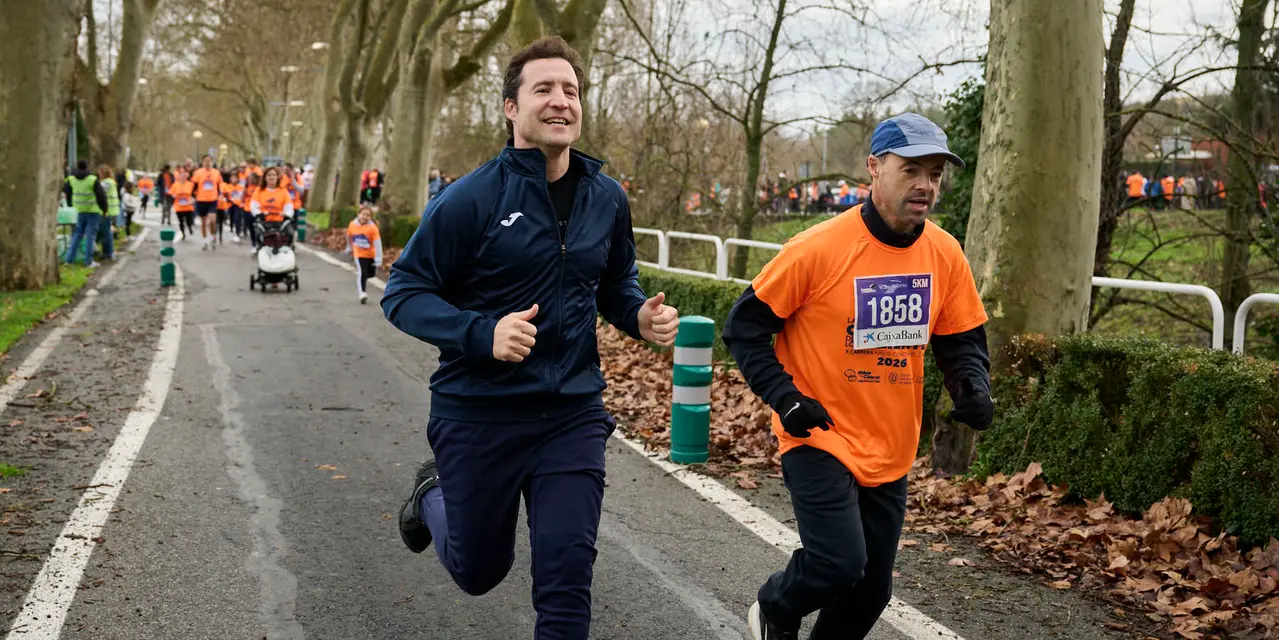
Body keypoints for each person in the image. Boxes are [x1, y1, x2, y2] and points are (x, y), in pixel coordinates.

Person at [381, 36, 680, 640]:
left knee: (567, 583)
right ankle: (432, 493)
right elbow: (403, 292)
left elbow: (614, 281)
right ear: (511, 109)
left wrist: (638, 318)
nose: (560, 101)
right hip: (480, 414)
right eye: (542, 89)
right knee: (478, 571)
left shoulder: (606, 196)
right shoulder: (470, 199)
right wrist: (480, 332)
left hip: (570, 414)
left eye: (570, 90)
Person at [722, 112, 994, 640]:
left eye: (935, 174)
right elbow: (744, 328)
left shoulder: (944, 253)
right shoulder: (817, 248)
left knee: (871, 592)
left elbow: (960, 338)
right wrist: (786, 398)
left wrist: (971, 385)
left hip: (890, 444)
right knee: (838, 563)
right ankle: (776, 606)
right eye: (912, 169)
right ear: (874, 167)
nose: (926, 185)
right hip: (818, 433)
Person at [63, 161, 108, 268]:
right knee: (90, 236)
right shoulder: (92, 180)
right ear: (87, 167)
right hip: (92, 211)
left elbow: (66, 193)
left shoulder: (71, 179)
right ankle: (88, 261)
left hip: (78, 211)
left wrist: (70, 205)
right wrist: (104, 209)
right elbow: (101, 196)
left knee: (77, 235)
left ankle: (69, 260)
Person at [345, 205, 382, 304]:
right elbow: (349, 236)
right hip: (359, 253)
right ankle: (362, 293)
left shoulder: (372, 228)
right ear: (358, 214)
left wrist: (378, 258)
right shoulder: (352, 225)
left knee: (370, 274)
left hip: (370, 254)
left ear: (370, 217)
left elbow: (377, 243)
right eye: (363, 214)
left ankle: (365, 281)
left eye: (368, 215)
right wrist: (349, 247)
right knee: (362, 272)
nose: (364, 217)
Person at [250, 166, 294, 247]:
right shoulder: (259, 190)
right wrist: (261, 213)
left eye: (274, 175)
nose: (272, 177)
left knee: (290, 233)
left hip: (280, 222)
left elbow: (289, 207)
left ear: (277, 177)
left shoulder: (283, 191)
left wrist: (286, 214)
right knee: (258, 233)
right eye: (269, 175)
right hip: (264, 222)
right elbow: (254, 207)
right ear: (265, 177)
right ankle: (258, 247)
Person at [192, 154, 220, 250]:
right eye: (205, 161)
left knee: (212, 220)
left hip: (213, 199)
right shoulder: (198, 172)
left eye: (209, 161)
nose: (208, 162)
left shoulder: (216, 172)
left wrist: (220, 195)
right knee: (203, 223)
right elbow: (194, 186)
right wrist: (193, 196)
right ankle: (205, 241)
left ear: (212, 162)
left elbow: (219, 185)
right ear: (203, 162)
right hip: (201, 200)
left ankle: (213, 237)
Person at [169, 170, 196, 240]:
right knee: (181, 221)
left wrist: (192, 200)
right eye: (181, 176)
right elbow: (171, 193)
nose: (183, 178)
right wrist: (174, 195)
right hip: (179, 206)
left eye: (184, 176)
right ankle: (183, 233)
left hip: (188, 206)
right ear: (179, 177)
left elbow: (194, 194)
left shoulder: (190, 184)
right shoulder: (175, 185)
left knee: (189, 221)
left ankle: (189, 227)